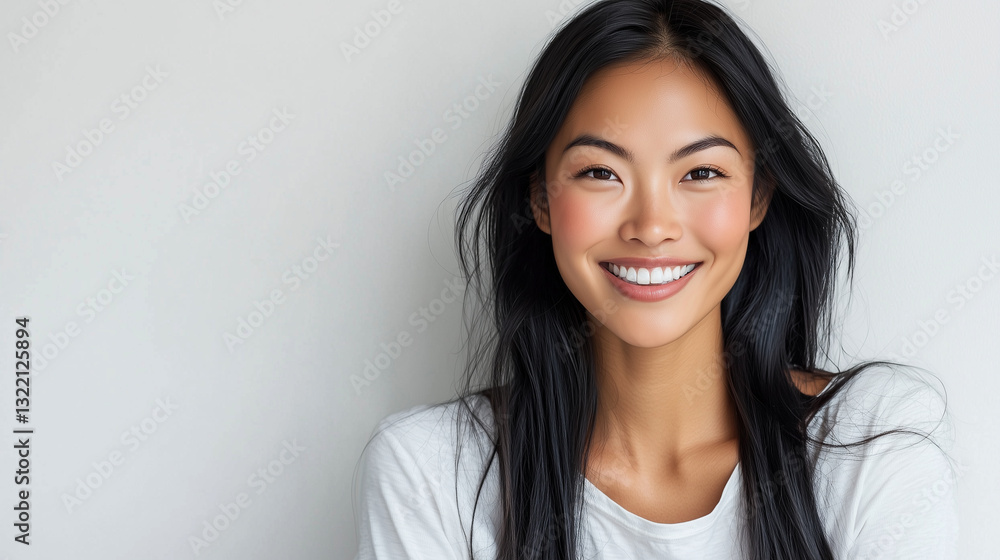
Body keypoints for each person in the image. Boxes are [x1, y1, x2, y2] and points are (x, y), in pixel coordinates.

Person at [353, 0, 960, 558]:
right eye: (600, 172)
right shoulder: (430, 473)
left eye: (700, 173)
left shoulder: (870, 443)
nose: (651, 226)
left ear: (757, 198)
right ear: (539, 198)